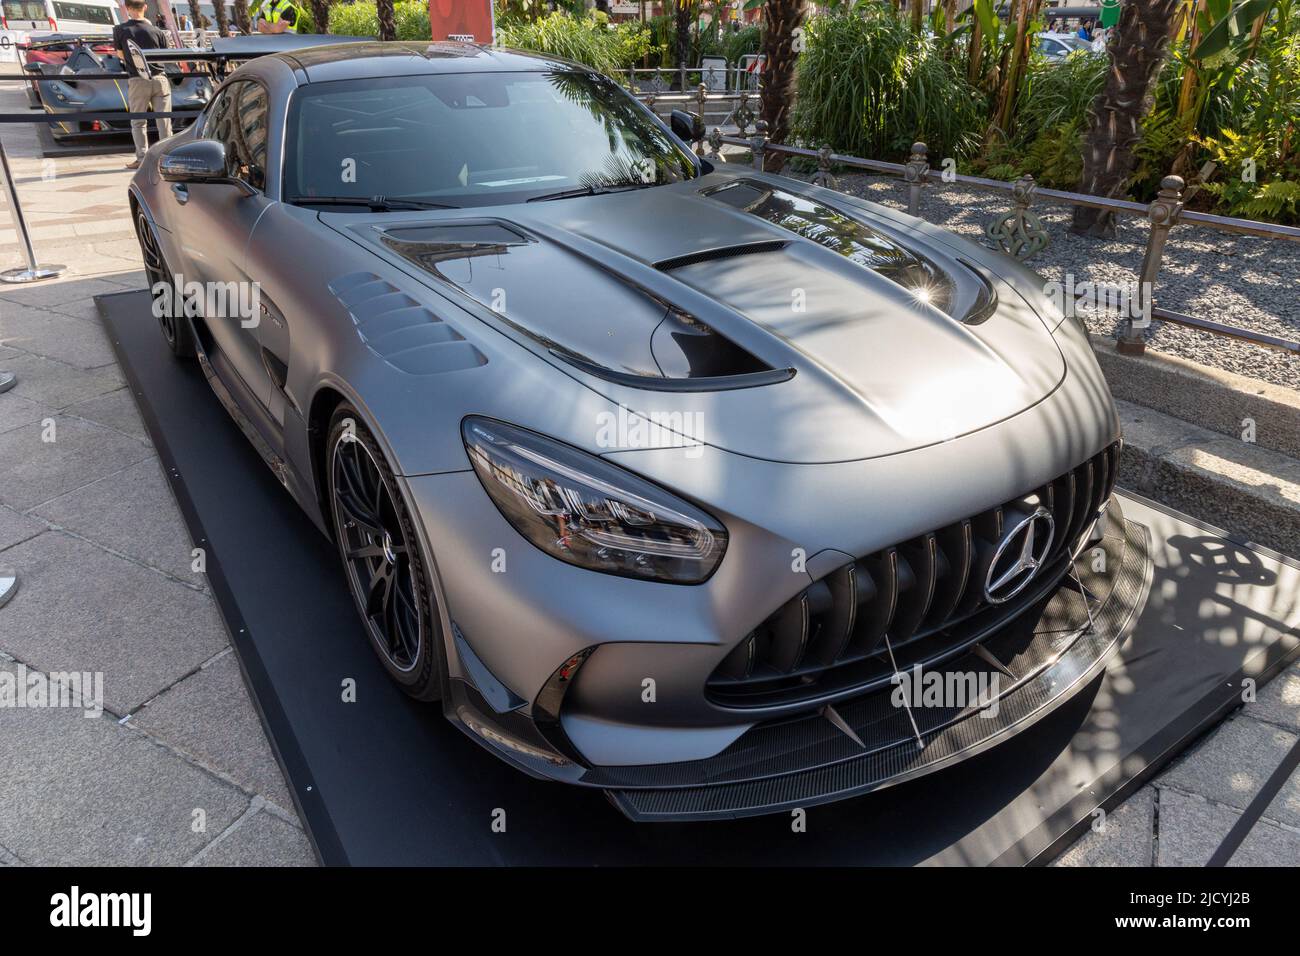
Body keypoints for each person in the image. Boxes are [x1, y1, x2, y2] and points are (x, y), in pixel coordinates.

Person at [113, 0, 173, 171]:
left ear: (128, 8)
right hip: (160, 79)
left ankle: (141, 158)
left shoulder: (120, 30)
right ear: (145, 8)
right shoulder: (157, 31)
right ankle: (165, 158)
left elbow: (120, 54)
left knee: (139, 122)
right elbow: (166, 56)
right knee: (164, 121)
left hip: (138, 79)